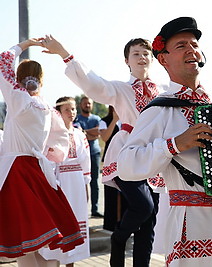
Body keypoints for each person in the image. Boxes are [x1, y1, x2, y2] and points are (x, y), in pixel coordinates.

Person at [117, 17, 212, 266]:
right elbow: (126, 165)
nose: (191, 49)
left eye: (195, 44)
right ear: (163, 58)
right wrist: (173, 144)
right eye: (181, 45)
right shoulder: (160, 109)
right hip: (195, 222)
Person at [42, 36, 162, 267]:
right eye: (136, 53)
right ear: (127, 60)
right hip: (128, 152)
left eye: (146, 53)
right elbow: (93, 83)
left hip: (156, 156)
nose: (142, 57)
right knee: (143, 206)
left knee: (149, 223)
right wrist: (64, 53)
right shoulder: (120, 89)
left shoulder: (163, 91)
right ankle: (118, 237)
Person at [0, 39, 84, 266]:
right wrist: (48, 153)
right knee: (33, 244)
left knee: (24, 244)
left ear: (18, 79)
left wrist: (23, 44)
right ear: (41, 80)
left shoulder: (19, 99)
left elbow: (2, 61)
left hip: (15, 172)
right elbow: (61, 143)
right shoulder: (47, 108)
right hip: (36, 171)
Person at [39, 97, 91, 266]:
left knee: (77, 219)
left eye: (73, 109)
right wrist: (54, 186)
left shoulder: (79, 134)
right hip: (61, 182)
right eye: (67, 110)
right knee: (61, 221)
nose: (72, 113)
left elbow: (86, 161)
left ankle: (71, 263)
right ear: (59, 113)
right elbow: (49, 162)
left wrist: (86, 184)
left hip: (77, 182)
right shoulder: (53, 137)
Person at [99, 106, 128, 232]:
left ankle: (124, 223)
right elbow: (104, 138)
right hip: (111, 161)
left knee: (126, 194)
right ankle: (110, 224)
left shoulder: (129, 119)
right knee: (111, 193)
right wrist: (114, 120)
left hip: (126, 160)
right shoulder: (104, 120)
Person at [75, 96, 102, 218]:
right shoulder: (76, 118)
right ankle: (82, 210)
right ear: (80, 105)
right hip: (80, 155)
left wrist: (85, 132)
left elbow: (99, 132)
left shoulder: (97, 118)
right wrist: (90, 133)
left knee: (94, 182)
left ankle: (95, 209)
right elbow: (78, 134)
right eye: (85, 103)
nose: (87, 105)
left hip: (94, 153)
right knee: (82, 182)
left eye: (89, 103)